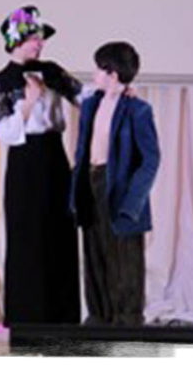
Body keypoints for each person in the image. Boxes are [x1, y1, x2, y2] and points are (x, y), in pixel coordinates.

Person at [0, 5, 82, 326]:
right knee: (26, 234)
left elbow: (82, 96)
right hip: (24, 160)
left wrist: (116, 92)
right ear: (16, 41)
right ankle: (27, 317)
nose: (40, 44)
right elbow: (5, 132)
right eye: (34, 38)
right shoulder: (2, 81)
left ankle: (63, 317)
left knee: (60, 230)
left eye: (41, 39)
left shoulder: (52, 71)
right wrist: (28, 103)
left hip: (54, 155)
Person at [69, 42, 159, 326]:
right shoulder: (91, 104)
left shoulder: (138, 110)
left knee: (124, 257)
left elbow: (151, 159)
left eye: (99, 69)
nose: (94, 74)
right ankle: (98, 317)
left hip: (119, 186)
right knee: (94, 252)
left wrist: (133, 202)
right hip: (91, 182)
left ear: (114, 75)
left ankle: (127, 320)